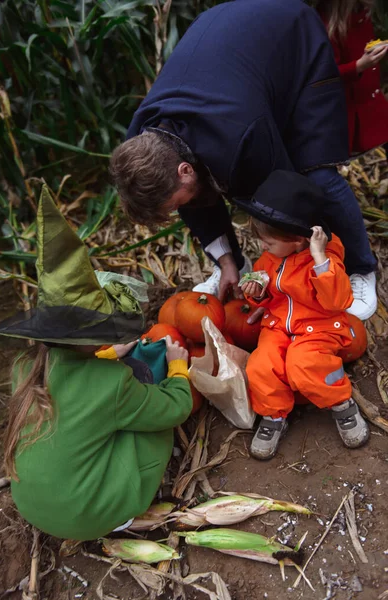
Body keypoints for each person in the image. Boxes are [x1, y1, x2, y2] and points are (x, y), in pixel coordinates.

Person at [110, 0, 377, 321]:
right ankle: (233, 263)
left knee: (315, 173)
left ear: (185, 168)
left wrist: (292, 273)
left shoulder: (240, 139)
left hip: (292, 37)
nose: (180, 208)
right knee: (191, 192)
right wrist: (228, 263)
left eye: (175, 204)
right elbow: (193, 198)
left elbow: (285, 195)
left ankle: (362, 269)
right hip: (228, 45)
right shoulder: (142, 138)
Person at [0, 186, 192, 541]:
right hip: (85, 517)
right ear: (97, 337)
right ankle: (120, 517)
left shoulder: (24, 368)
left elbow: (78, 392)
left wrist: (110, 356)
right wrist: (176, 368)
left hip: (36, 509)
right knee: (154, 427)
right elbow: (176, 409)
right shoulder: (111, 384)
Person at [239, 170, 369, 460]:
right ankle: (273, 416)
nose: (263, 248)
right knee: (261, 365)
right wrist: (257, 293)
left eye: (269, 243)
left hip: (319, 327)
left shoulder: (325, 262)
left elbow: (338, 301)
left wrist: (321, 260)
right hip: (278, 326)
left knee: (305, 364)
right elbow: (269, 291)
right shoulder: (271, 258)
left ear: (299, 239)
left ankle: (341, 403)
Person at [317, 0, 388, 156]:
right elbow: (325, 75)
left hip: (374, 107)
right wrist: (360, 65)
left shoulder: (362, 12)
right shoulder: (327, 23)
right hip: (349, 118)